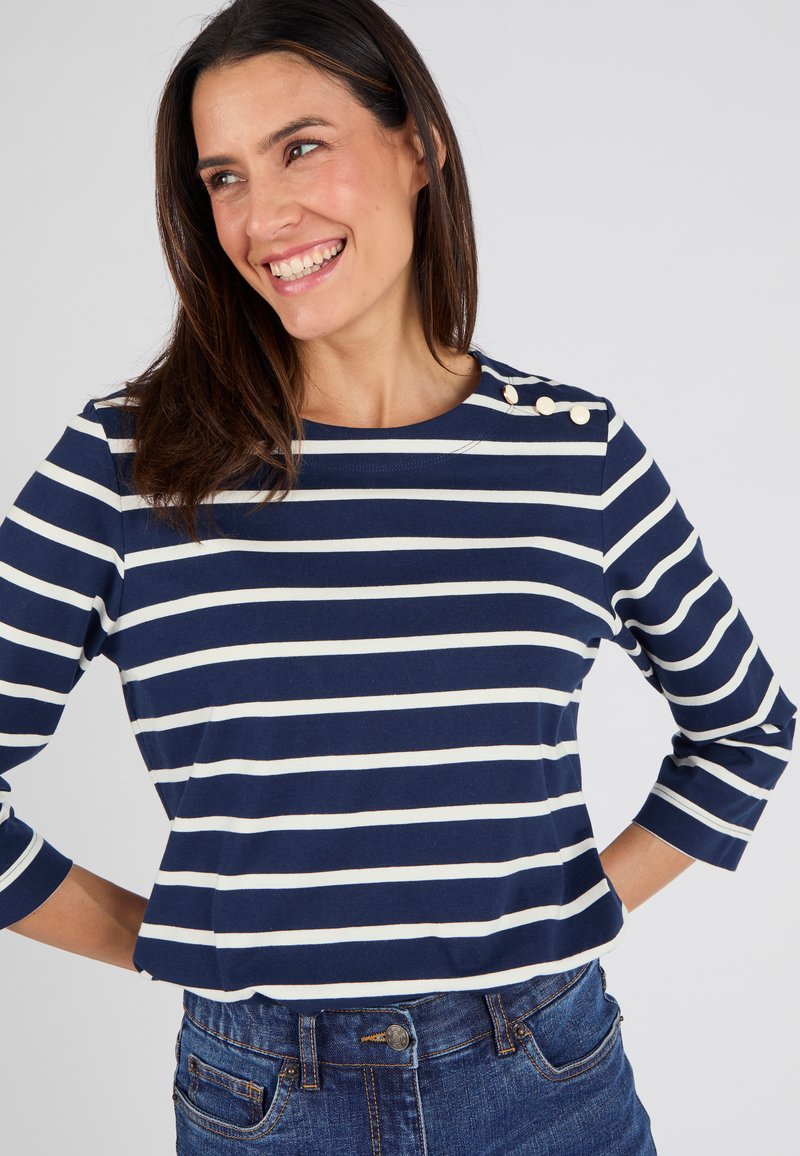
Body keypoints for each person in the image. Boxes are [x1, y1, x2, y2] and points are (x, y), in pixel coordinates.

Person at [0, 0, 795, 1152]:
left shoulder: (572, 449)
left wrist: (565, 913)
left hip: (550, 1080)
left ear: (417, 145)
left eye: (300, 147)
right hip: (264, 1099)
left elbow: (745, 728)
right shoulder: (128, 459)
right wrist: (172, 937)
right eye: (222, 176)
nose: (263, 216)